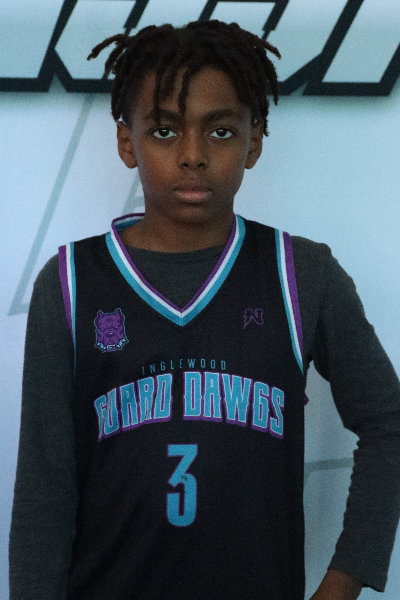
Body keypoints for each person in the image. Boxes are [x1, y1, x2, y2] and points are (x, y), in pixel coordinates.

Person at [9, 20, 400, 600]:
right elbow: (44, 486)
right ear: (127, 142)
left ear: (254, 140)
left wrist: (343, 582)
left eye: (220, 131)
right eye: (165, 131)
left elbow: (388, 422)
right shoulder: (70, 282)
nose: (192, 156)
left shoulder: (299, 273)